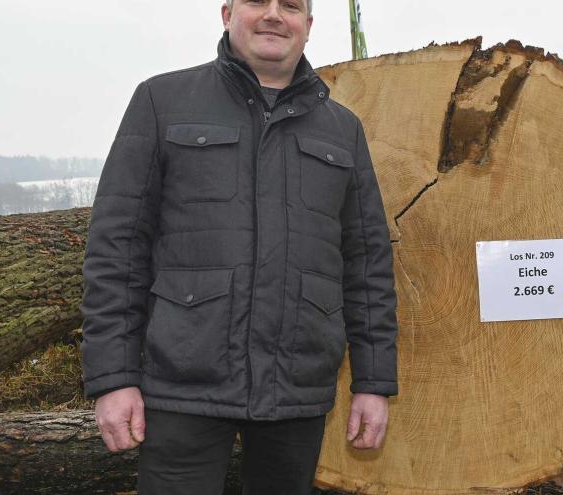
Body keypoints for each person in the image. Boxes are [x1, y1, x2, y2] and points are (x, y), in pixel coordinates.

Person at [79, 0, 398, 493]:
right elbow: (117, 249)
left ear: (308, 26)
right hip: (183, 384)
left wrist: (374, 384)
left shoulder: (343, 129)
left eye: (291, 6)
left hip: (297, 389)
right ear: (227, 14)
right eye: (258, 2)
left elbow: (367, 265)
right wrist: (112, 377)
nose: (274, 15)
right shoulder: (162, 102)